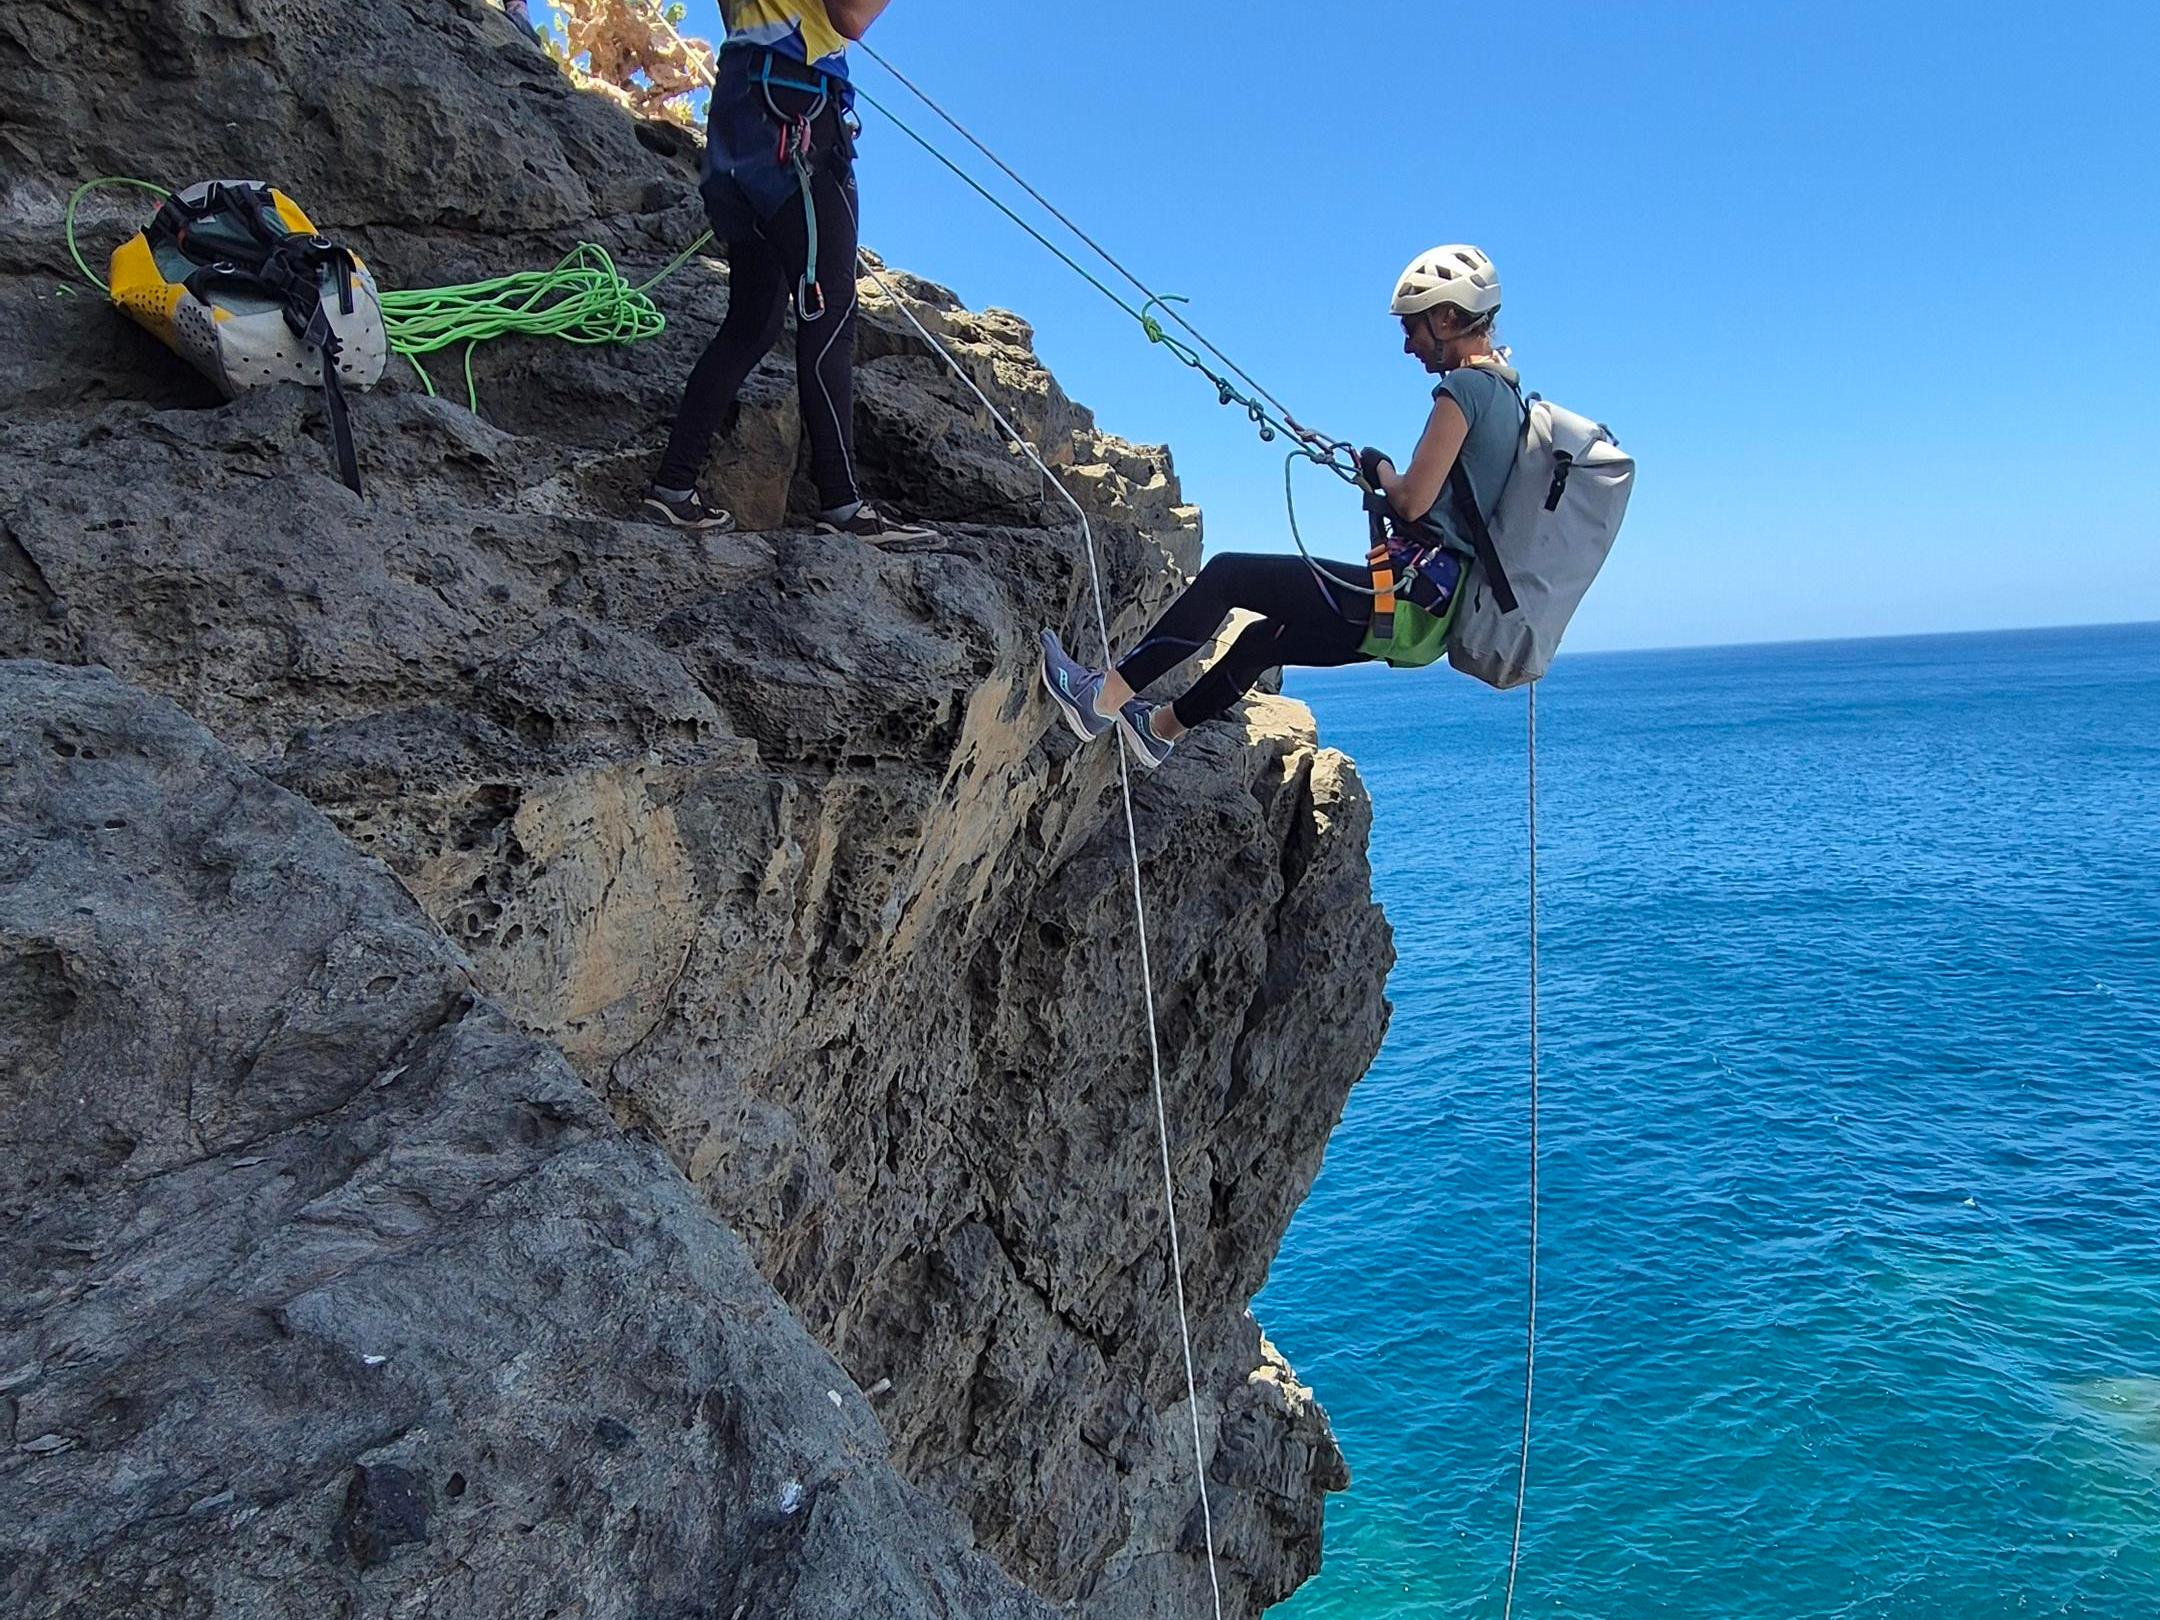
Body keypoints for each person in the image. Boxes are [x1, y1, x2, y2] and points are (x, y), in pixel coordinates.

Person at [1040, 244, 1526, 767]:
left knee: (1227, 576)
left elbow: (1411, 502)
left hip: (1404, 597)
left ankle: (1100, 699)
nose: (1408, 345)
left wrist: (1379, 468)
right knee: (1262, 641)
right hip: (1429, 621)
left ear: (1448, 316)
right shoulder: (1510, 400)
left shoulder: (1464, 392)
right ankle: (1159, 729)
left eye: (1413, 326)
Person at [643, 0, 933, 541]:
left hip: (737, 113)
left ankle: (673, 488)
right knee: (830, 310)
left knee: (752, 321)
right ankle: (844, 505)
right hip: (796, 112)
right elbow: (849, 18)